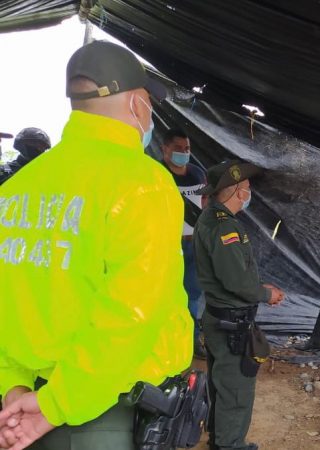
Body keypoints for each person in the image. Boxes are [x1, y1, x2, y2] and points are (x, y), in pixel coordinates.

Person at [0, 40, 192, 449]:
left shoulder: (16, 190)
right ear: (139, 105)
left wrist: (13, 386)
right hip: (101, 415)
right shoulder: (143, 184)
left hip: (22, 406)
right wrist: (55, 404)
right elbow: (131, 313)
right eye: (149, 107)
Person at [193, 159, 286, 450]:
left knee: (222, 382)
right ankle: (229, 445)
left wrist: (259, 288)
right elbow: (235, 281)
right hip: (231, 322)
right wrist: (265, 294)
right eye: (246, 188)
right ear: (235, 191)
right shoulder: (225, 228)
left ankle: (221, 438)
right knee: (236, 387)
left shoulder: (212, 218)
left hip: (221, 317)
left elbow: (235, 274)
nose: (248, 193)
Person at [160, 128, 208, 358]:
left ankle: (190, 342)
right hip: (168, 246)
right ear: (164, 149)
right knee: (165, 295)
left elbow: (207, 202)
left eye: (187, 148)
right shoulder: (158, 174)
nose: (183, 153)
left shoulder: (198, 174)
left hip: (195, 244)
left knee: (192, 296)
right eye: (178, 148)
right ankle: (163, 343)